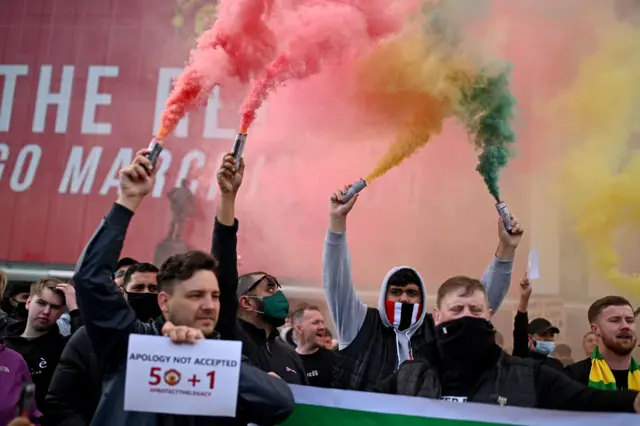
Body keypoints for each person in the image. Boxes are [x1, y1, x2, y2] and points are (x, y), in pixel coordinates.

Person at [72, 149, 293, 425]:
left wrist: (202, 356)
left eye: (214, 296)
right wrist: (127, 199)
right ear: (164, 302)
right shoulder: (129, 344)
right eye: (195, 295)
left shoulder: (220, 353)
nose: (210, 305)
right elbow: (89, 279)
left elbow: (280, 402)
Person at [324, 184, 522, 390]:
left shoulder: (437, 331)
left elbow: (480, 301)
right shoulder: (359, 324)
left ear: (423, 299)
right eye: (396, 292)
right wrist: (337, 222)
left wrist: (506, 249)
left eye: (412, 293)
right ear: (384, 295)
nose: (403, 299)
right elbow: (337, 281)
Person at [373, 276, 640, 412]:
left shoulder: (529, 376)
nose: (466, 317)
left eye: (475, 310)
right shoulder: (408, 377)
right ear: (438, 317)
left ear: (489, 316)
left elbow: (589, 401)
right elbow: (351, 407)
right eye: (457, 310)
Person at [2, 278, 81, 413]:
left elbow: (88, 346)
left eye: (54, 307)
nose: (46, 311)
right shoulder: (4, 341)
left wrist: (74, 309)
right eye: (41, 303)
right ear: (28, 303)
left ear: (62, 313)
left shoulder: (64, 348)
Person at [236, 271, 308, 384]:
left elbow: (304, 399)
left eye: (277, 291)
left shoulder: (289, 353)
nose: (279, 297)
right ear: (247, 302)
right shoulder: (231, 347)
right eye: (269, 290)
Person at [565, 296, 639, 390]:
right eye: (615, 320)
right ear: (595, 329)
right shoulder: (572, 377)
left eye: (630, 320)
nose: (625, 326)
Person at [512, 274, 563, 370]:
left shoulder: (556, 365)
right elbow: (520, 330)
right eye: (542, 335)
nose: (547, 339)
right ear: (530, 338)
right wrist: (524, 298)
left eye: (551, 335)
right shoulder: (522, 360)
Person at [292, 306, 334, 388]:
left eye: (322, 322)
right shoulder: (288, 361)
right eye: (316, 322)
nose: (322, 327)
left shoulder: (334, 359)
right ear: (299, 328)